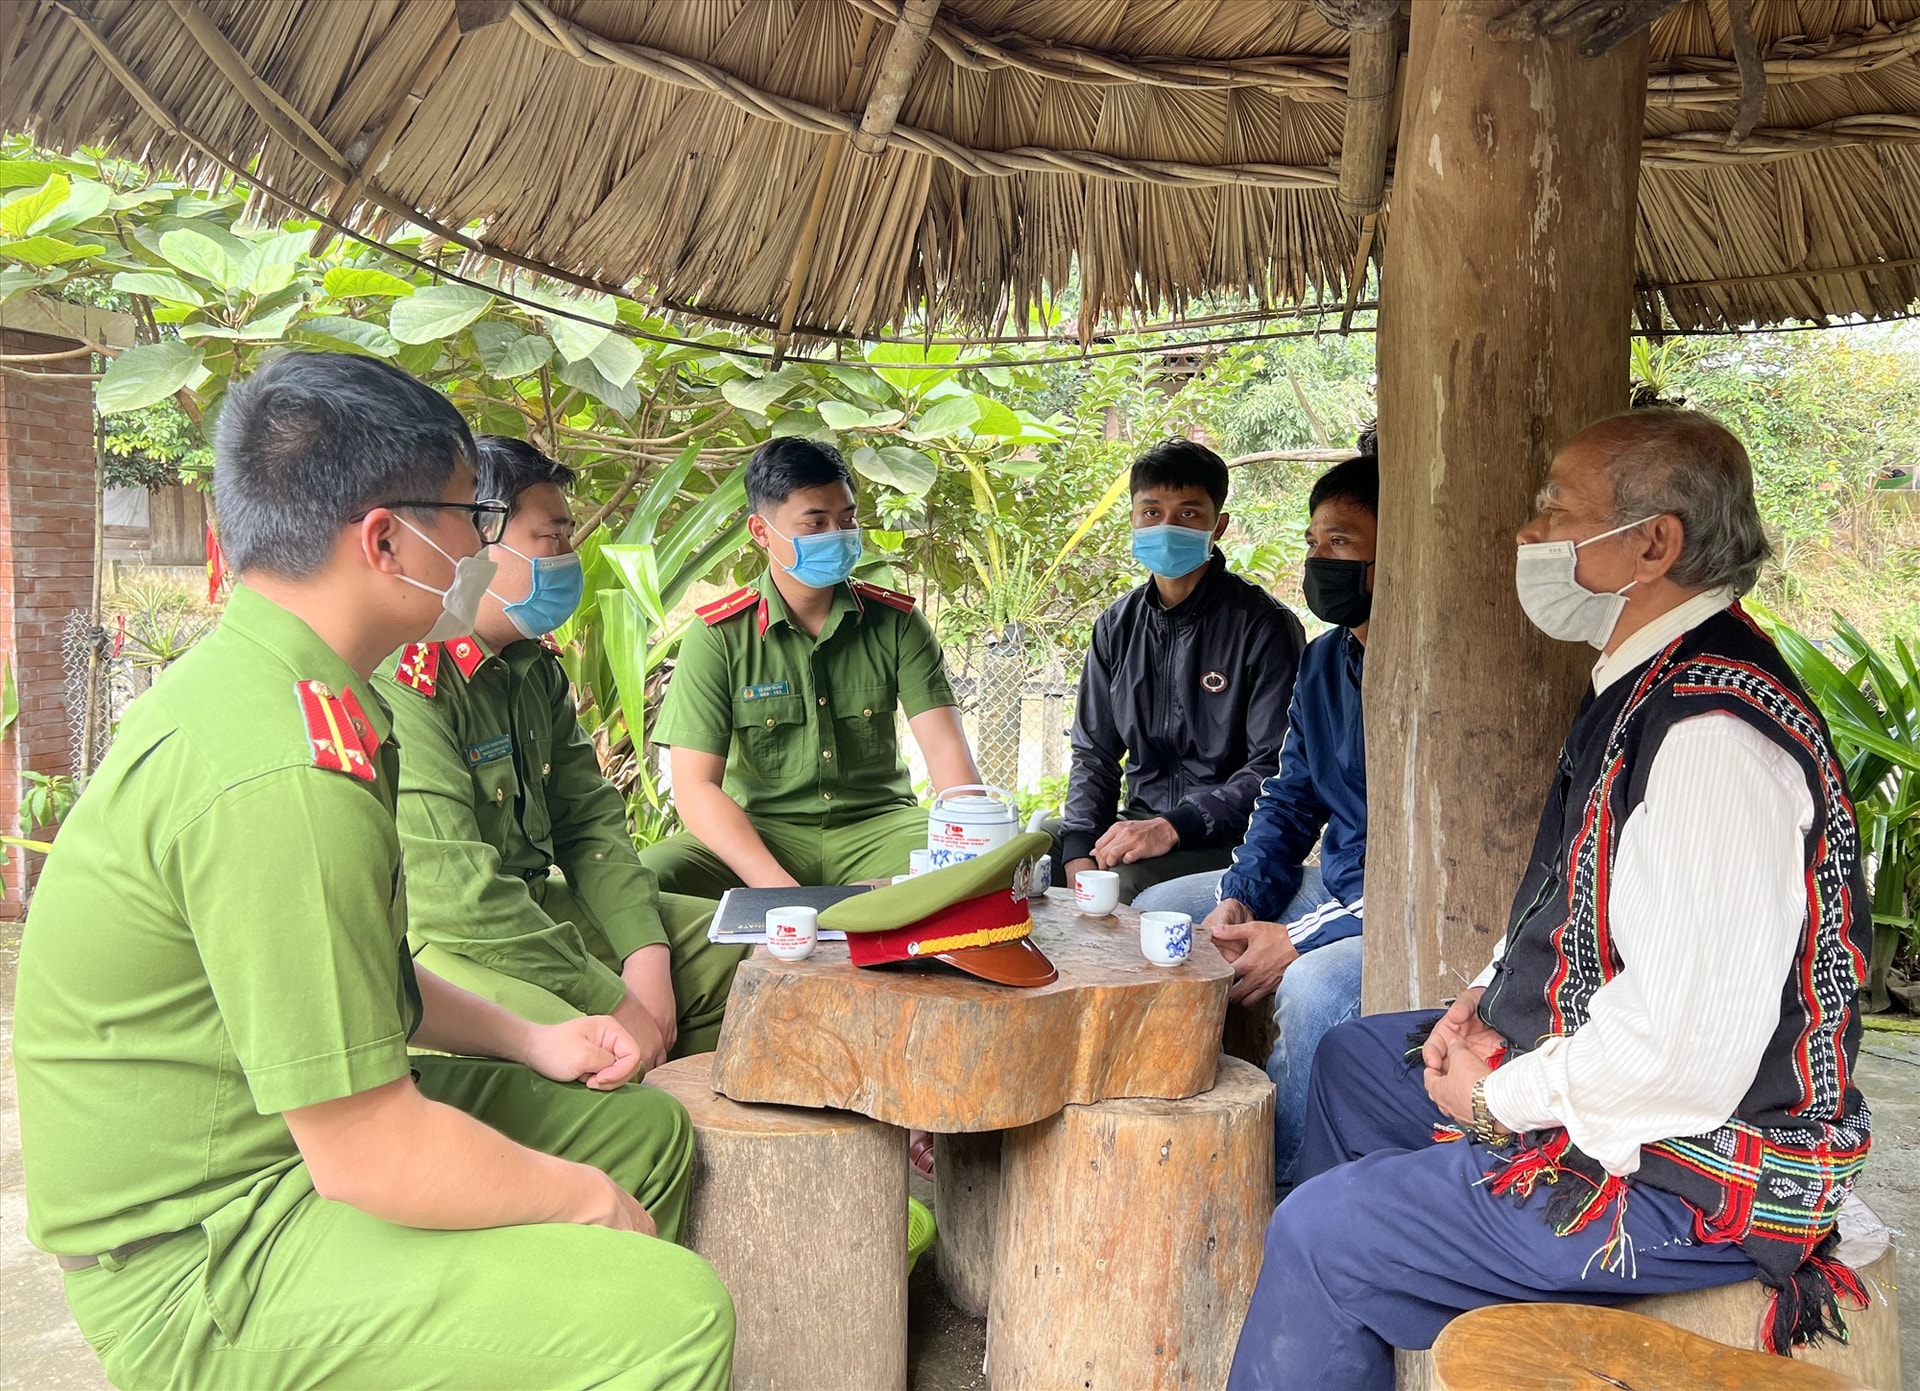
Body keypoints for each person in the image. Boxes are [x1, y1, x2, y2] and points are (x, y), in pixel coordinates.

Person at [13, 352, 734, 1391]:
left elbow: (374, 977)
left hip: (279, 1153)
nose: (480, 548)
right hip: (206, 1253)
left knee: (640, 1132)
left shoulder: (302, 692)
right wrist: (582, 1204)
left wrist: (533, 1035)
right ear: (386, 540)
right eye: (465, 519)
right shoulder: (283, 763)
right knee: (671, 1316)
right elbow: (370, 1153)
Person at [1228, 410, 1873, 1390]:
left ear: (1653, 543)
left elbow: (1683, 1051)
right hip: (1646, 1099)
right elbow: (1566, 903)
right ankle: (1358, 1324)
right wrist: (1479, 1011)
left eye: (1553, 509)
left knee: (1319, 1231)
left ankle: (1345, 1274)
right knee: (1359, 1058)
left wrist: (1497, 1091)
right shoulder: (1644, 679)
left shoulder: (1710, 738)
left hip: (1697, 1165)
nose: (1529, 535)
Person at [377, 436, 745, 1063]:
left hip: (540, 909)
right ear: (479, 539)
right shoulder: (411, 681)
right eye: (553, 540)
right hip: (455, 945)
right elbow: (461, 901)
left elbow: (587, 818)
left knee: (762, 968)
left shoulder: (533, 665)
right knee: (607, 1057)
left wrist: (645, 953)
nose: (570, 557)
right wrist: (613, 998)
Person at [1134, 451, 1376, 1187]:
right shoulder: (1329, 659)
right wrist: (1244, 893)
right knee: (1161, 908)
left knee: (1312, 988)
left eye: (1340, 543)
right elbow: (1290, 795)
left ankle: (1280, 1195)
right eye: (1313, 542)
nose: (1318, 560)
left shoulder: (1440, 670)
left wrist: (1296, 938)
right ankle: (1162, 1138)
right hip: (1336, 887)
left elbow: (1430, 875)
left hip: (1399, 911)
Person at [642, 437, 979, 896]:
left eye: (847, 519)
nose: (838, 536)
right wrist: (781, 893)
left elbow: (948, 756)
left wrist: (973, 850)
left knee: (969, 874)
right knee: (646, 882)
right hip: (760, 834)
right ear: (761, 533)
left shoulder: (897, 623)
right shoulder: (719, 636)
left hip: (880, 828)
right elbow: (696, 789)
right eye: (815, 523)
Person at [1054, 439, 1305, 904]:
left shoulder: (1263, 626)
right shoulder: (1117, 625)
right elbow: (1094, 752)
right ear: (1132, 518)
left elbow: (1275, 766)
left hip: (1225, 840)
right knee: (1026, 860)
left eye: (1188, 514)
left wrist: (1176, 824)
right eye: (1151, 512)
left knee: (1124, 891)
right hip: (1136, 823)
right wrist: (1076, 848)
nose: (1166, 526)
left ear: (1219, 526)